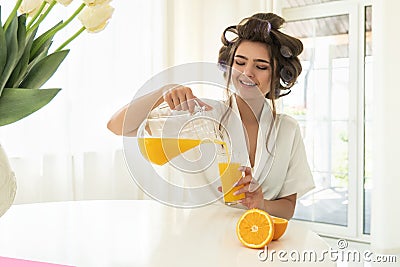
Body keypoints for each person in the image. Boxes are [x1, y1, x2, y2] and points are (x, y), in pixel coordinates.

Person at [107, 13, 315, 220]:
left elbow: (288, 207)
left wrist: (261, 203)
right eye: (240, 62)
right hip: (202, 238)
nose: (247, 72)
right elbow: (117, 126)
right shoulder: (201, 115)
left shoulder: (288, 129)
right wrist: (165, 91)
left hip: (258, 239)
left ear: (278, 75)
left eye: (261, 66)